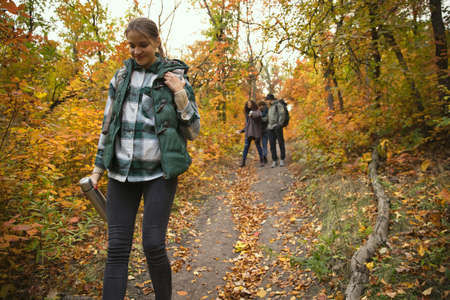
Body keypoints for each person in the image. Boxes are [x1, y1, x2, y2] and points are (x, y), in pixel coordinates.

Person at [89, 17, 200, 300]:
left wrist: (180, 94)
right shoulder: (120, 78)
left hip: (158, 175)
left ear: (156, 42)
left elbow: (193, 131)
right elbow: (108, 126)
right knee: (116, 248)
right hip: (121, 174)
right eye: (132, 46)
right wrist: (97, 169)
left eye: (143, 45)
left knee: (153, 244)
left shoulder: (173, 77)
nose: (137, 51)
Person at [239, 100, 265, 167]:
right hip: (248, 133)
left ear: (253, 104)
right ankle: (243, 162)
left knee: (258, 147)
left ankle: (262, 161)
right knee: (246, 147)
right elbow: (247, 125)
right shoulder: (247, 113)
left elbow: (259, 115)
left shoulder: (257, 111)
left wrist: (252, 113)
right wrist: (242, 130)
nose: (249, 105)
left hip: (256, 133)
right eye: (248, 104)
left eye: (250, 104)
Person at [266, 93, 286, 167]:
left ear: (271, 99)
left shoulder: (278, 105)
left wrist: (279, 124)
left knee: (281, 143)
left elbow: (282, 114)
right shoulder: (270, 107)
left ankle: (282, 159)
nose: (267, 101)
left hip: (277, 127)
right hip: (270, 128)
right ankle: (274, 160)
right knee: (272, 144)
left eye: (267, 100)